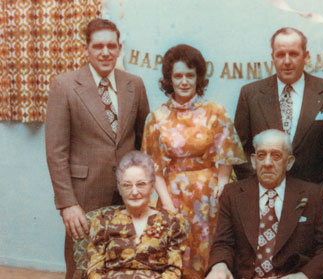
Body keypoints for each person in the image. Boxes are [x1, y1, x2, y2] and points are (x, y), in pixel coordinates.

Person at [45, 18, 150, 278]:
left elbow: (142, 142)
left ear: (118, 49)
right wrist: (68, 203)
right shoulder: (65, 85)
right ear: (86, 49)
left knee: (125, 264)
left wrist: (141, 187)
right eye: (99, 46)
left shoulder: (134, 84)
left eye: (111, 46)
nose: (105, 52)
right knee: (83, 267)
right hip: (84, 196)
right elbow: (56, 152)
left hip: (128, 195)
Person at [141, 44, 246, 278]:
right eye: (178, 76)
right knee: (176, 257)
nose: (184, 81)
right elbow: (153, 168)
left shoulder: (215, 112)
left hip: (210, 199)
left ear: (198, 78)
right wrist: (167, 204)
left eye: (190, 75)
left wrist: (221, 186)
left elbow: (226, 155)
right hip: (173, 197)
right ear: (169, 79)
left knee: (213, 256)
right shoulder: (156, 117)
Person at [234, 27, 323, 208]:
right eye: (281, 54)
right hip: (263, 201)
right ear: (273, 57)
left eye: (294, 54)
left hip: (314, 202)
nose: (287, 61)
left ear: (305, 56)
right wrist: (257, 189)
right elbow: (237, 149)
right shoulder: (250, 94)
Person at [206, 129, 323, 279]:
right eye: (261, 155)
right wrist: (219, 266)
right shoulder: (232, 194)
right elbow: (223, 243)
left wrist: (303, 276)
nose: (267, 163)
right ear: (253, 161)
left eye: (276, 156)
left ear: (289, 162)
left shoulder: (314, 195)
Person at [86, 151, 188, 279]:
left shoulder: (172, 222)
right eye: (127, 185)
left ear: (152, 186)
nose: (134, 192)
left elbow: (174, 271)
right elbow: (94, 270)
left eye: (141, 184)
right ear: (120, 189)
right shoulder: (103, 221)